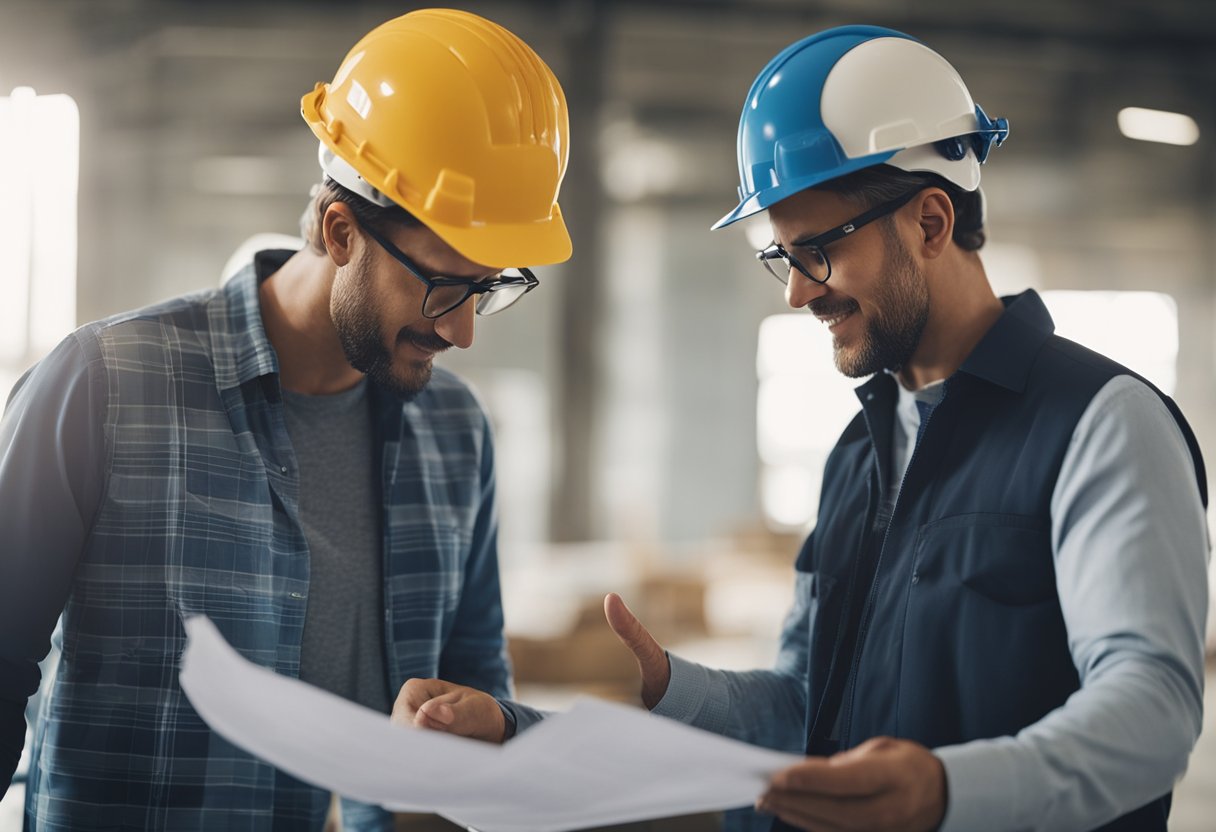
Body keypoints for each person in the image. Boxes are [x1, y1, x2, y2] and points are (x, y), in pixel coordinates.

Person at [392, 24, 1210, 832]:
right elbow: (806, 708)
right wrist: (668, 691)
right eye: (782, 257)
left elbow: (1150, 712)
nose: (797, 292)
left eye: (817, 250)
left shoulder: (1103, 426)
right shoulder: (862, 452)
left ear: (930, 223)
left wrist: (946, 792)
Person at [0, 8, 571, 829]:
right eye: (444, 287)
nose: (462, 329)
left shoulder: (455, 434)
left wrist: (495, 732)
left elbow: (475, 684)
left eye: (487, 289)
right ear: (340, 231)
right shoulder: (104, 386)